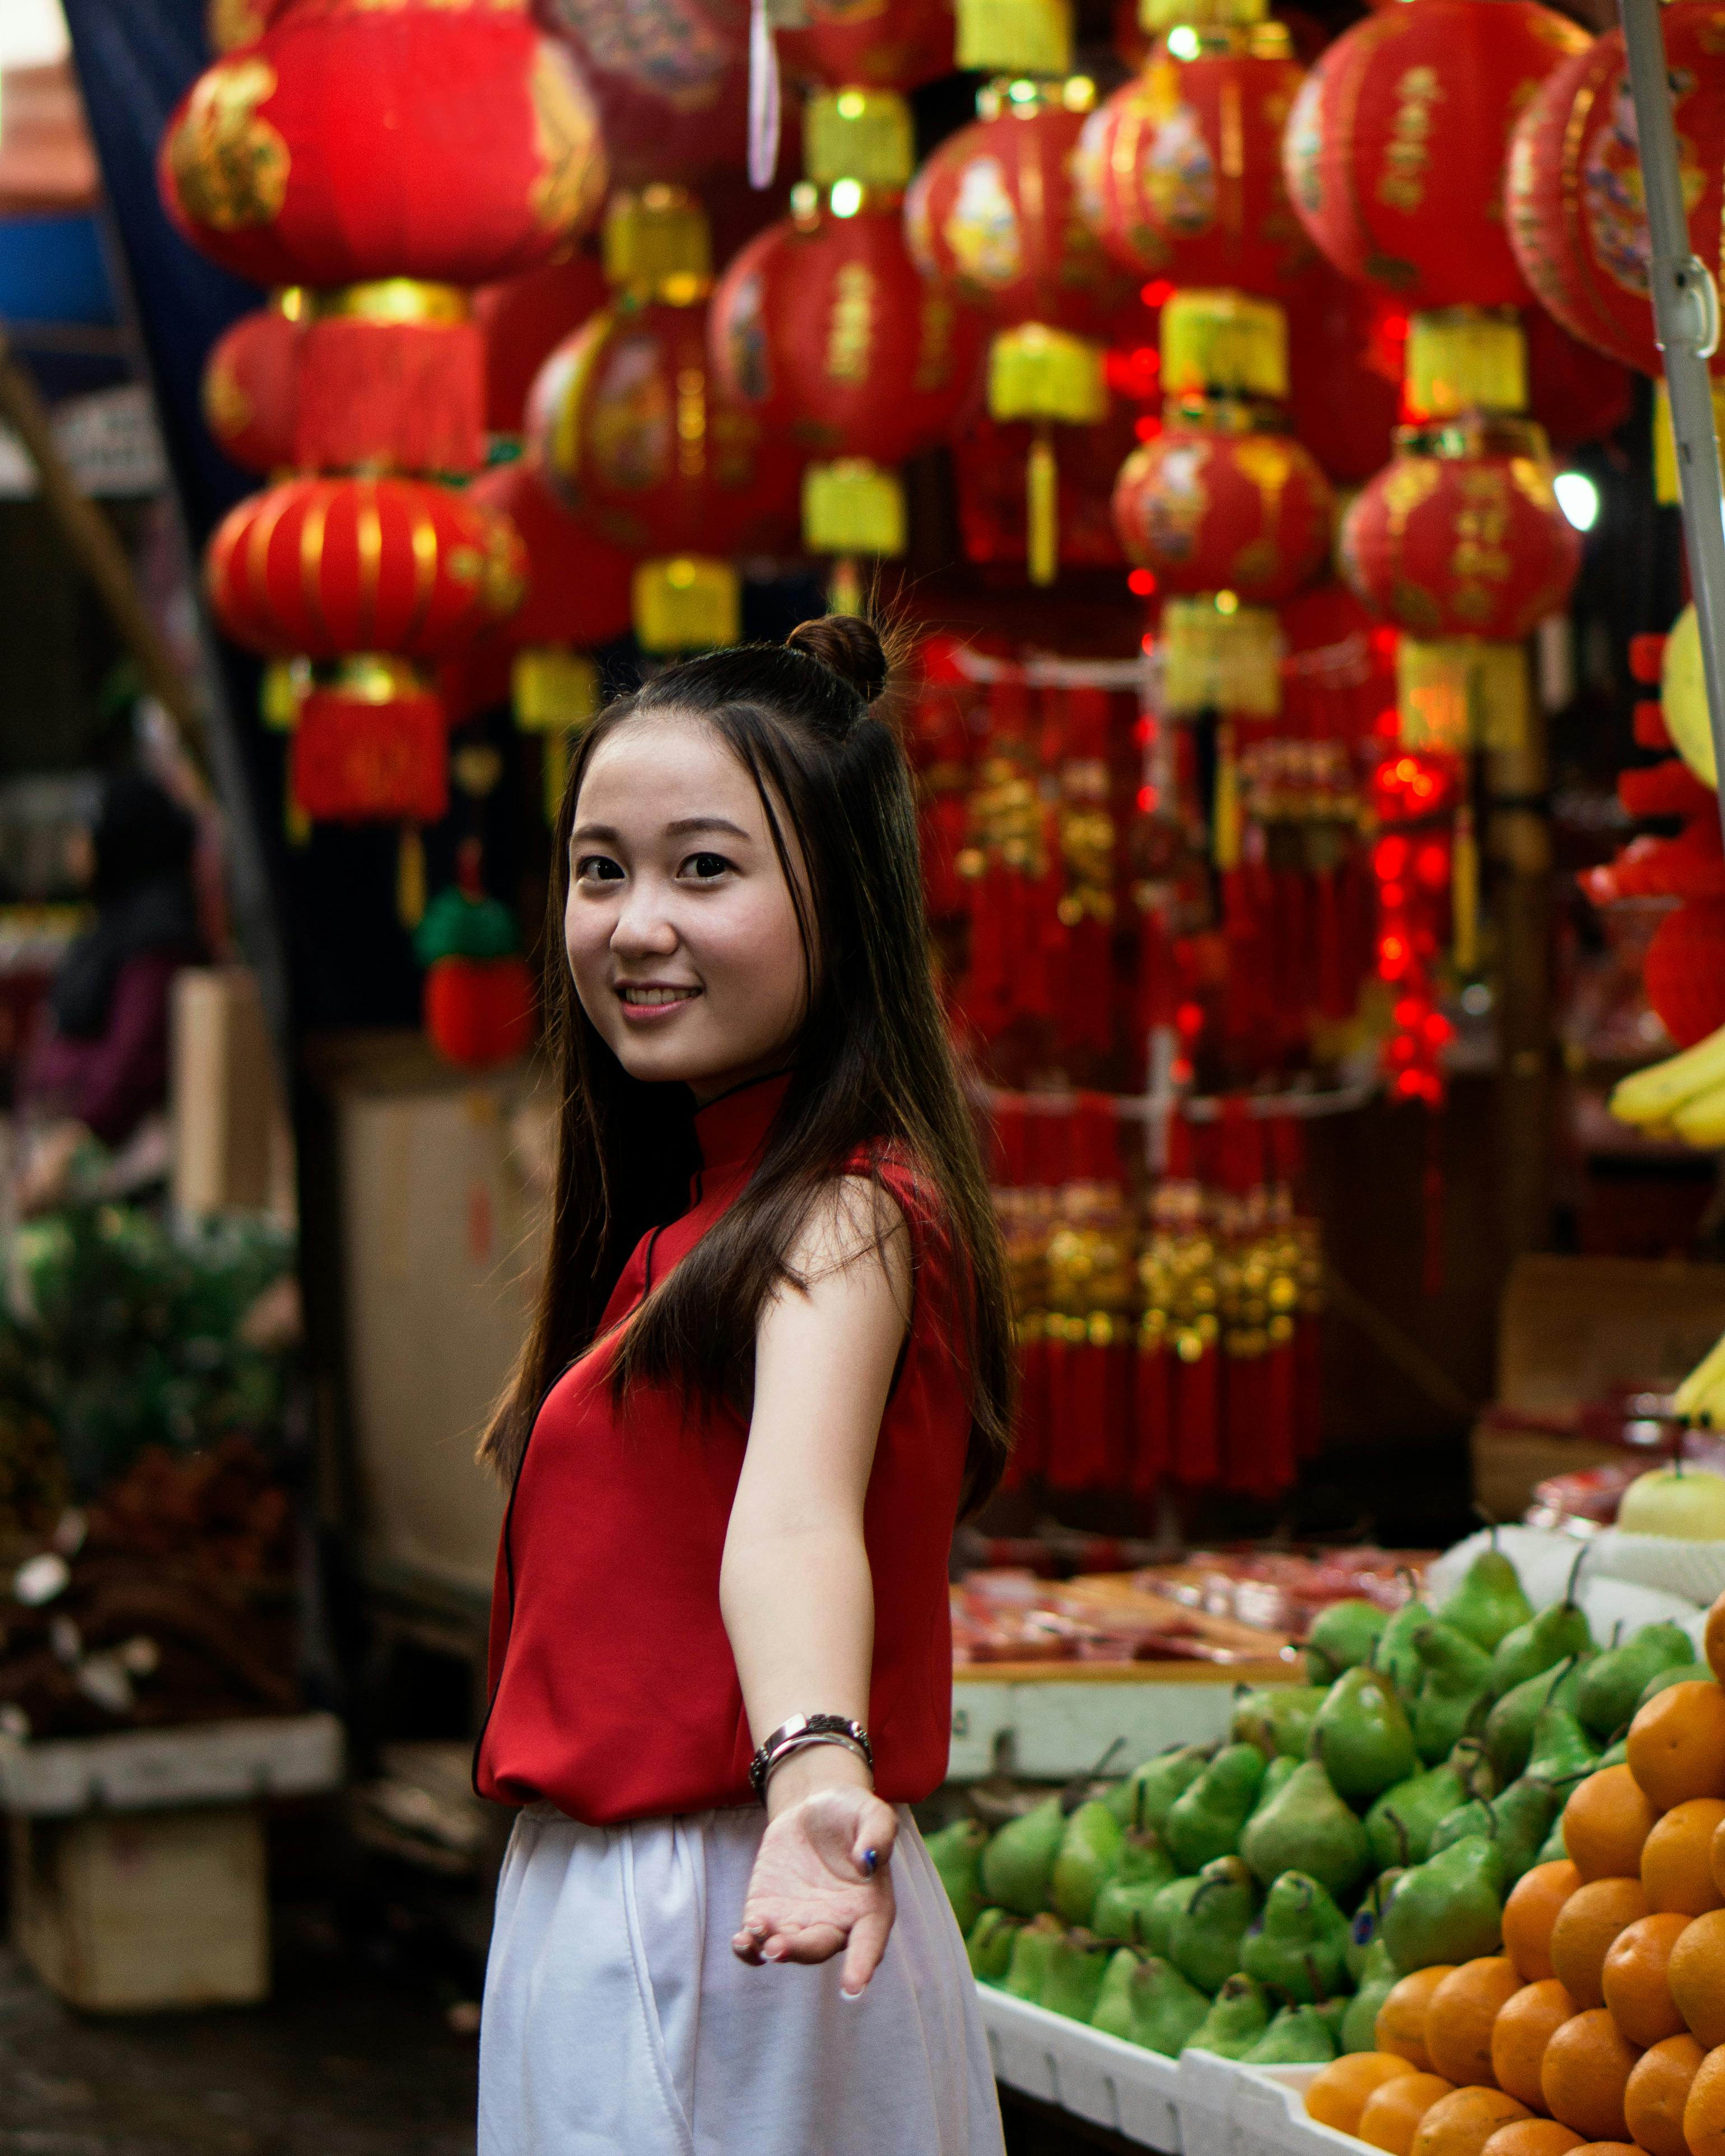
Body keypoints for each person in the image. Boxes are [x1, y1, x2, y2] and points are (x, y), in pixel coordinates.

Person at [473, 615, 1015, 2155]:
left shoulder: (843, 1214)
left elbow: (788, 1523)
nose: (637, 922)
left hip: (735, 1913)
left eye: (705, 868)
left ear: (840, 899)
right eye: (600, 869)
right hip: (659, 1906)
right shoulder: (690, 1222)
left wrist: (811, 1774)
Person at [16, 767, 206, 1212]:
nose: (74, 847)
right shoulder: (112, 923)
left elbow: (136, 1056)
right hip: (66, 1157)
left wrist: (76, 1140)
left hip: (115, 1176)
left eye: (83, 833)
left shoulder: (159, 937)